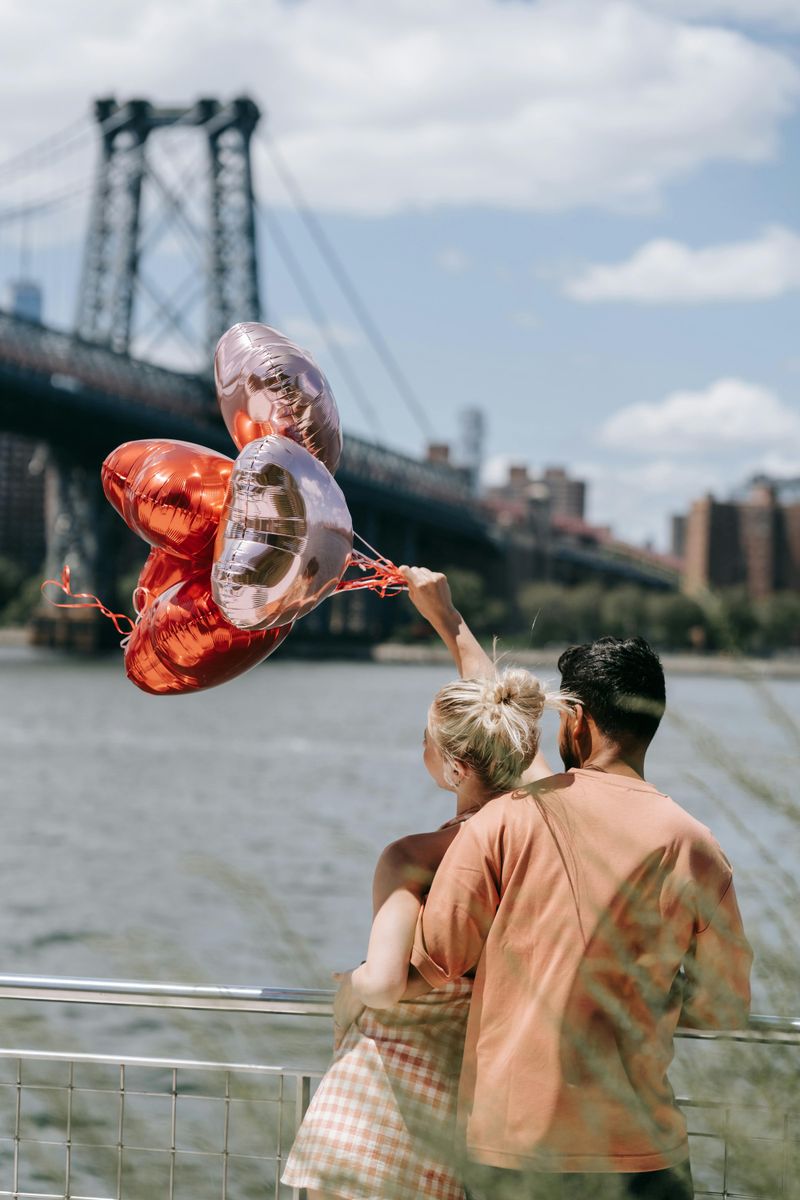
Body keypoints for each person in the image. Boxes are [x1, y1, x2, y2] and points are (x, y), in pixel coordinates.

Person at [404, 576, 754, 1200]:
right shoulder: (697, 847)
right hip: (644, 1157)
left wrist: (398, 875)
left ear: (580, 721)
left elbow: (437, 956)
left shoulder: (509, 819)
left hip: (514, 1151)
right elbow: (721, 1009)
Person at [281, 568, 562, 1200]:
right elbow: (512, 736)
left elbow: (382, 985)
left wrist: (350, 983)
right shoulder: (537, 835)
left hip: (371, 1112)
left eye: (427, 744)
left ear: (455, 769)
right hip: (453, 1125)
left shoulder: (413, 857)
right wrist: (449, 619)